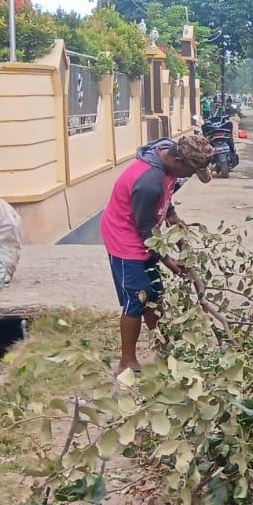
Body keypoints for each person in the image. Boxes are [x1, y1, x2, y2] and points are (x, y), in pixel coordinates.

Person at [99, 134, 215, 376]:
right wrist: (169, 261)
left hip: (145, 230)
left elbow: (167, 192)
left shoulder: (167, 156)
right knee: (137, 298)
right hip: (124, 237)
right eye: (190, 171)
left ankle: (164, 349)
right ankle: (127, 361)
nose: (190, 176)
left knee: (155, 294)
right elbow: (145, 231)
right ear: (177, 161)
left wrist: (171, 214)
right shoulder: (149, 182)